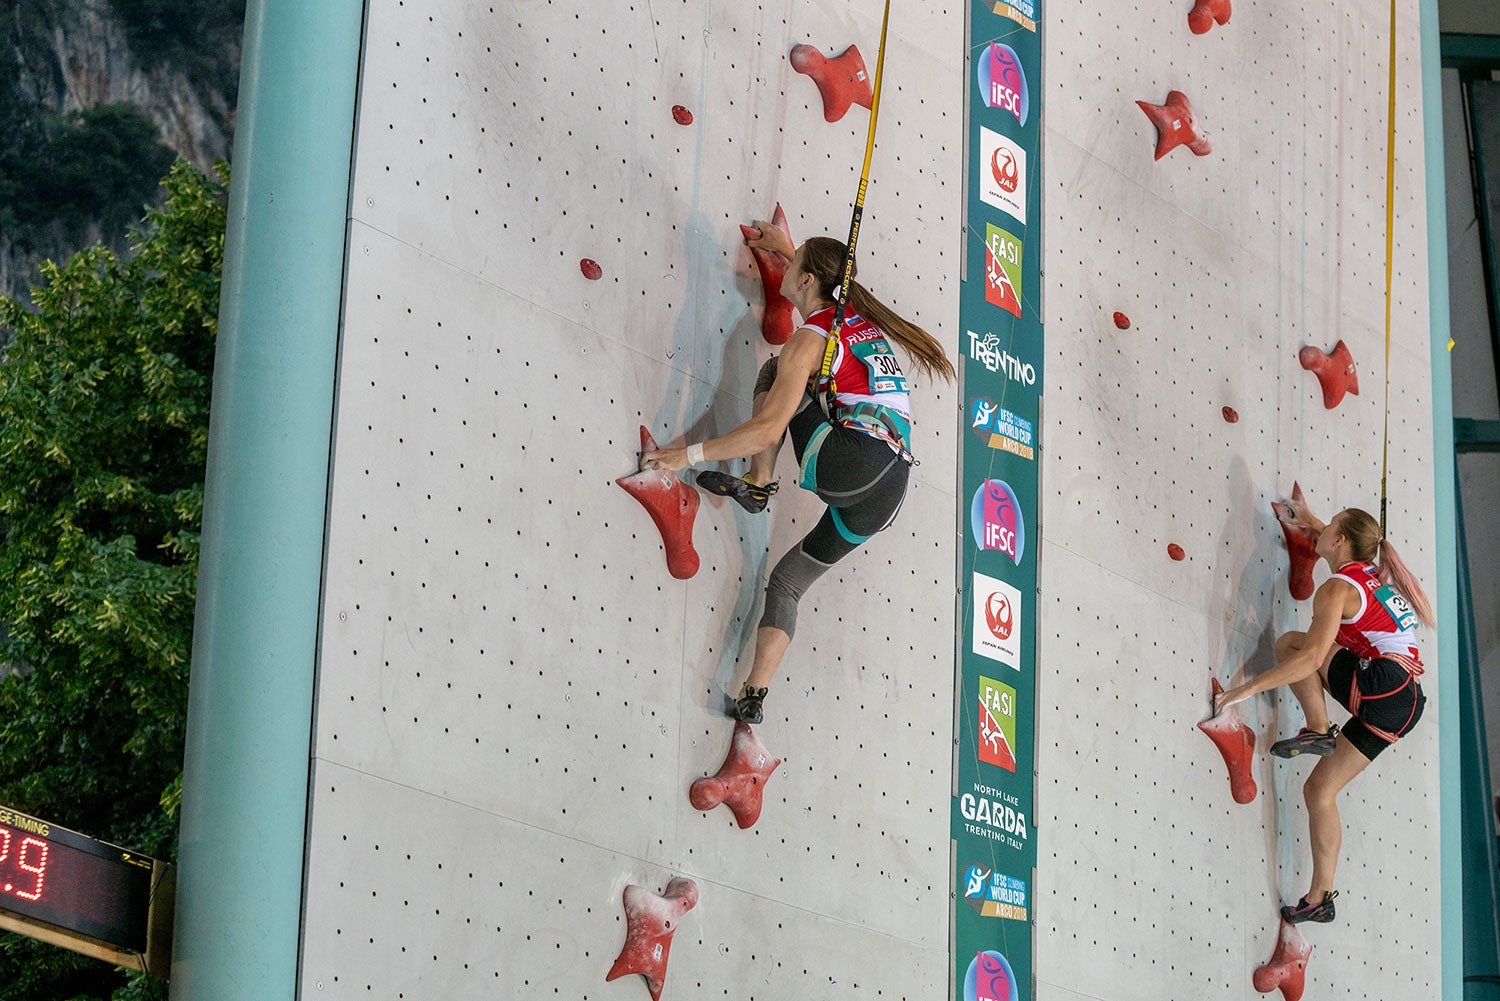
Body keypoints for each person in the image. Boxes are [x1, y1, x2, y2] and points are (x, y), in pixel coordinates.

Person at [642, 223, 954, 724]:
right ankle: (754, 695)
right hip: (890, 489)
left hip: (854, 463)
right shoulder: (854, 320)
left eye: (793, 263)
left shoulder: (811, 338)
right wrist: (787, 250)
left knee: (776, 379)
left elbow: (768, 430)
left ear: (807, 280)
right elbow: (822, 279)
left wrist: (684, 456)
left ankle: (759, 484)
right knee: (787, 582)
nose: (786, 268)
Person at [1214, 497, 1434, 925]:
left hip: (1385, 689)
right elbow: (1341, 541)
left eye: (1329, 525)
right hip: (1405, 706)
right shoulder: (1373, 572)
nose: (1323, 529)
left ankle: (1318, 727)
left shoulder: (1337, 590)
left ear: (1341, 540)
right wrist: (1311, 521)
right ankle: (1320, 896)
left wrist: (1243, 689)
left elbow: (1311, 659)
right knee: (1319, 791)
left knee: (1290, 646)